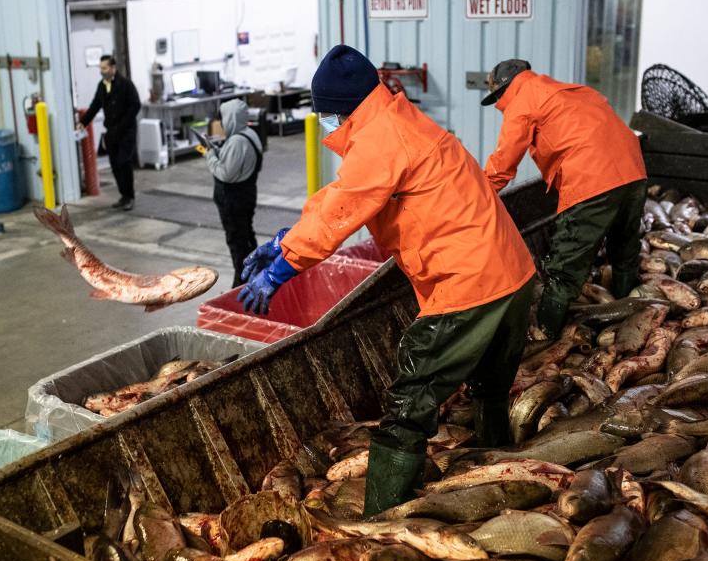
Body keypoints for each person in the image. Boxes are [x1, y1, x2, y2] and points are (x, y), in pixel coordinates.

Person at [238, 45, 536, 516]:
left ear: (338, 110)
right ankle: (499, 466)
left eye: (324, 115)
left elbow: (343, 209)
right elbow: (344, 194)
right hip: (512, 274)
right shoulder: (399, 119)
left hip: (470, 284)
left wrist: (283, 266)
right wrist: (282, 238)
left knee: (409, 404)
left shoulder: (380, 140)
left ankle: (381, 521)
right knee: (490, 384)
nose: (324, 125)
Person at [481, 59, 648, 339]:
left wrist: (474, 197)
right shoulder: (573, 91)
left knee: (563, 269)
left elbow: (502, 165)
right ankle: (625, 319)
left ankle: (544, 336)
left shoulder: (522, 101)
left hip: (593, 179)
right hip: (634, 172)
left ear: (502, 90)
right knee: (624, 249)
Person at [205, 98, 264, 287]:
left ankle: (241, 283)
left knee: (236, 241)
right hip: (247, 195)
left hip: (234, 200)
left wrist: (210, 156)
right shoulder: (249, 134)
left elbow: (225, 173)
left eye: (223, 118)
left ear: (231, 118)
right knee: (246, 235)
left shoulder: (237, 141)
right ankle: (256, 273)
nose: (221, 123)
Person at [77, 55, 142, 211]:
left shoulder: (126, 84)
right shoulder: (102, 86)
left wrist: (123, 123)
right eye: (100, 68)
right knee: (115, 165)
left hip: (126, 131)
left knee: (124, 162)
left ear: (113, 68)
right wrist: (83, 122)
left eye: (105, 68)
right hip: (111, 132)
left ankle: (130, 196)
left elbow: (135, 106)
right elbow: (95, 105)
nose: (102, 71)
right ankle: (123, 195)